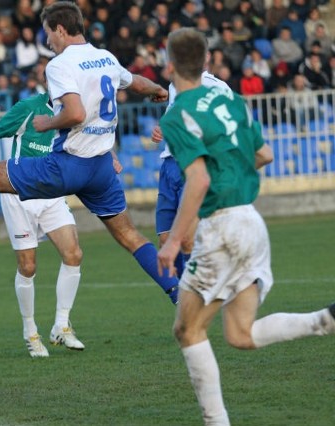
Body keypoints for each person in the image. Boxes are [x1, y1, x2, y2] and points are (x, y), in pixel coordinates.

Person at [0, 1, 179, 307]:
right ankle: (179, 293)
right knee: (131, 237)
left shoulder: (60, 65)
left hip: (67, 165)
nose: (47, 42)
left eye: (48, 34)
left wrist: (48, 122)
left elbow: (75, 113)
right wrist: (158, 90)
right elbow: (136, 83)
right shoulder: (105, 57)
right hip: (102, 171)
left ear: (60, 29)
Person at [157, 28, 335, 426]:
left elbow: (199, 180)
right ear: (206, 63)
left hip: (221, 227)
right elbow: (265, 154)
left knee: (187, 330)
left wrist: (171, 244)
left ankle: (216, 422)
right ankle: (324, 321)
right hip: (252, 223)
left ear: (170, 67)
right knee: (239, 335)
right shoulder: (230, 101)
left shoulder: (177, 115)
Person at [0, 61, 86, 357]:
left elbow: (89, 138)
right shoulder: (29, 107)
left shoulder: (74, 111)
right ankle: (30, 332)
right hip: (20, 194)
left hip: (52, 192)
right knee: (28, 266)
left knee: (74, 254)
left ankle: (61, 325)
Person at [151, 50, 231, 280]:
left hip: (192, 165)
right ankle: (184, 298)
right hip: (169, 164)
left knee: (187, 237)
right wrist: (161, 130)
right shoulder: (175, 85)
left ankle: (195, 293)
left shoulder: (216, 87)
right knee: (166, 239)